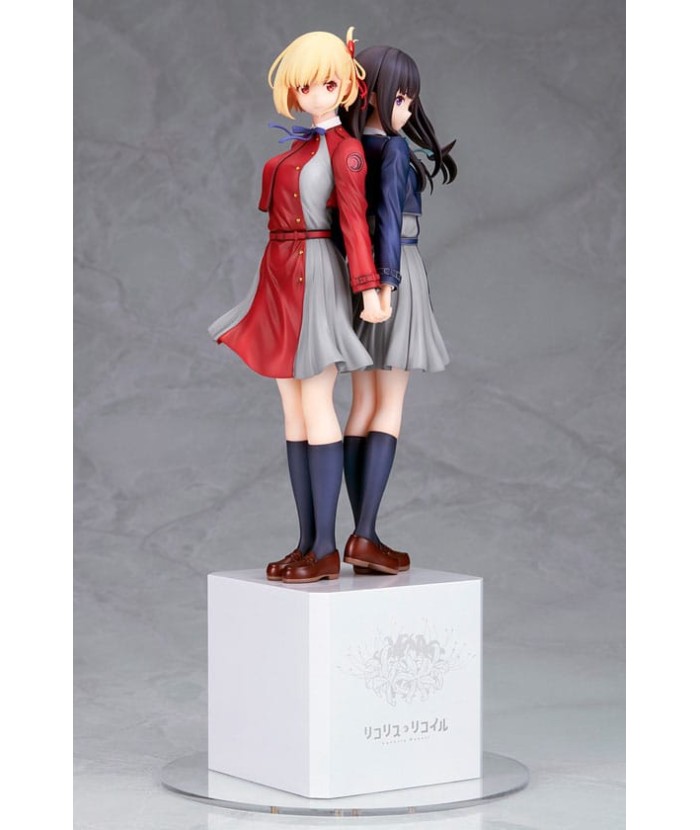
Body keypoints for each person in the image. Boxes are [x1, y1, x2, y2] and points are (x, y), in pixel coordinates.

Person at [208, 29, 390, 584]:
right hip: (280, 273)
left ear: (346, 86)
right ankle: (307, 542)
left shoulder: (347, 151)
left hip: (316, 275)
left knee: (316, 402)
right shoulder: (299, 149)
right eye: (304, 85)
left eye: (326, 84)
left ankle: (327, 548)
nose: (314, 94)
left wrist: (368, 288)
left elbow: (354, 222)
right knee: (292, 409)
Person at [339, 45, 458, 575]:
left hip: (359, 274)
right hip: (394, 272)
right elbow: (388, 217)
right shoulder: (390, 150)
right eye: (401, 98)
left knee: (362, 401)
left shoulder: (349, 149)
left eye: (411, 100)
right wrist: (387, 283)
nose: (408, 109)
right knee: (388, 403)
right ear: (373, 95)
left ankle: (363, 532)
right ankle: (365, 534)